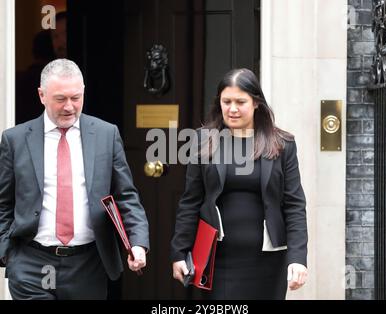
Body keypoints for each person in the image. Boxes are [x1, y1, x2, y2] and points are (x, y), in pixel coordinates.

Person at [0, 59, 149, 299]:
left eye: (76, 98)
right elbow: (3, 202)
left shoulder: (106, 134)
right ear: (42, 95)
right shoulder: (15, 140)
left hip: (87, 265)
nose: (70, 106)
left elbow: (126, 196)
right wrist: (7, 252)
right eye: (60, 99)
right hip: (31, 263)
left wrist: (138, 243)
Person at [171, 68, 308, 299]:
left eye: (240, 102)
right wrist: (179, 251)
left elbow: (294, 205)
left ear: (256, 103)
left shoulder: (282, 144)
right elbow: (190, 201)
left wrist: (298, 259)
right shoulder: (203, 141)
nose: (232, 109)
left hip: (268, 261)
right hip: (218, 260)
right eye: (226, 101)